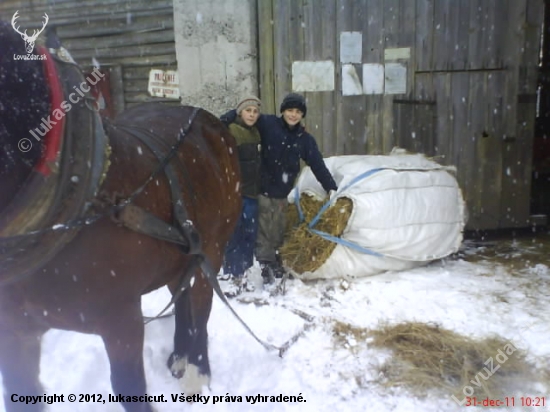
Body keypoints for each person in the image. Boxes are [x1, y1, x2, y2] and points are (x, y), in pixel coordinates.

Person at [222, 93, 337, 284]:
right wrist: (229, 116)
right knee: (263, 228)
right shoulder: (268, 124)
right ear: (283, 111)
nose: (293, 115)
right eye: (290, 110)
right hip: (262, 187)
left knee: (278, 228)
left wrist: (331, 187)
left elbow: (317, 164)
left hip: (283, 192)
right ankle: (263, 263)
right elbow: (246, 117)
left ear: (302, 115)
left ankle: (273, 259)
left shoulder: (304, 139)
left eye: (298, 112)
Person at [221, 96, 262, 295]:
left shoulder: (255, 132)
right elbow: (215, 132)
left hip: (252, 192)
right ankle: (230, 273)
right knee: (234, 234)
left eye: (255, 111)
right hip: (236, 193)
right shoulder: (231, 130)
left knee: (249, 233)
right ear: (240, 112)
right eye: (248, 110)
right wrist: (225, 118)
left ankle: (243, 270)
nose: (252, 114)